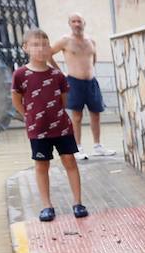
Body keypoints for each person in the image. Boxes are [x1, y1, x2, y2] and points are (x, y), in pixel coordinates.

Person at [12, 28, 88, 223]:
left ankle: (78, 203)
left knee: (70, 161)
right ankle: (47, 206)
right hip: (37, 130)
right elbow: (16, 100)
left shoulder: (57, 75)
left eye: (45, 45)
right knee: (41, 165)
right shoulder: (20, 74)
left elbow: (63, 101)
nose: (41, 49)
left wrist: (54, 115)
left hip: (61, 127)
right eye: (35, 45)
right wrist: (29, 118)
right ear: (26, 48)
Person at [52, 14, 113, 159]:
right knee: (77, 116)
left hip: (91, 82)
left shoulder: (91, 40)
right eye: (73, 21)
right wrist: (60, 73)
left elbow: (94, 58)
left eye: (79, 21)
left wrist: (89, 71)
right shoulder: (65, 40)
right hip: (74, 81)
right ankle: (77, 147)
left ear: (84, 23)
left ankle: (98, 146)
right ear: (70, 24)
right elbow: (49, 53)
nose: (76, 24)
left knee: (96, 114)